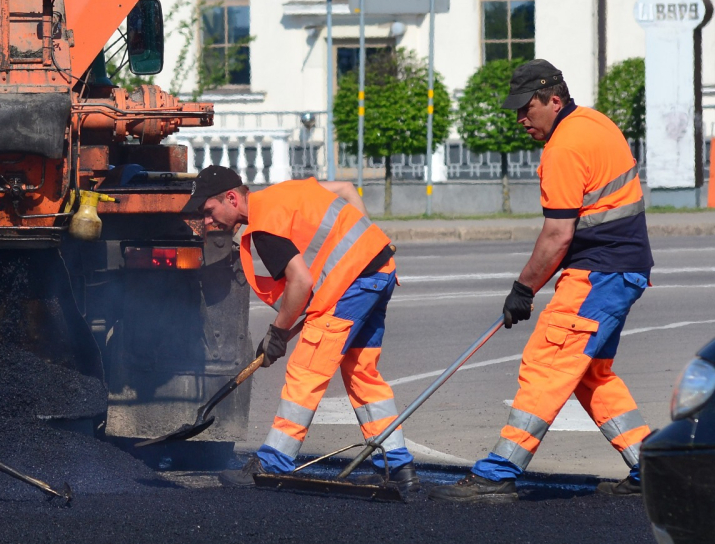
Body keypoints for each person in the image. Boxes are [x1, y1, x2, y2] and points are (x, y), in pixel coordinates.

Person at [429, 59, 653, 504]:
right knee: (591, 375)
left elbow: (557, 235)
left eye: (526, 108)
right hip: (622, 269)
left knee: (546, 364)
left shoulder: (564, 148)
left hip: (599, 274)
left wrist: (523, 289)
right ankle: (654, 470)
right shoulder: (595, 123)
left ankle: (498, 471)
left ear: (554, 99)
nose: (520, 118)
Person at [187, 166, 418, 492]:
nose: (208, 221)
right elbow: (347, 190)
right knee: (361, 374)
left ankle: (273, 461)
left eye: (209, 211)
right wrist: (370, 243)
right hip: (379, 271)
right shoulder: (284, 193)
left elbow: (301, 280)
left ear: (231, 197)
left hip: (352, 287)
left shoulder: (265, 224)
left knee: (305, 369)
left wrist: (277, 334)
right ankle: (397, 467)